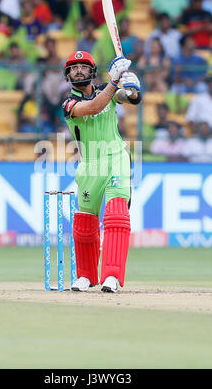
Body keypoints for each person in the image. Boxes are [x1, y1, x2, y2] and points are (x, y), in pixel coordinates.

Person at [62, 51, 141, 293]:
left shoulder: (110, 91)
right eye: (73, 68)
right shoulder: (68, 104)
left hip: (116, 156)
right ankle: (86, 275)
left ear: (92, 72)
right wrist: (115, 81)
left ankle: (112, 276)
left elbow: (131, 98)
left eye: (83, 67)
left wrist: (133, 86)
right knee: (85, 222)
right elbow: (95, 107)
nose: (78, 70)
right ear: (67, 75)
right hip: (89, 164)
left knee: (117, 215)